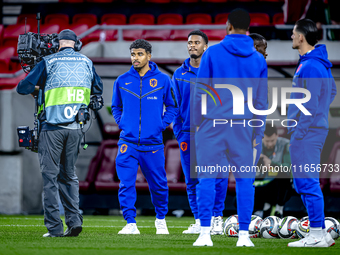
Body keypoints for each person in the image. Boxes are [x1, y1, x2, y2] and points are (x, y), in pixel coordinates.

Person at [16, 29, 103, 237]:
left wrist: (39, 87)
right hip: (75, 130)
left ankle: (55, 228)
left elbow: (22, 88)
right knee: (69, 176)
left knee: (50, 178)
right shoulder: (87, 62)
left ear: (58, 44)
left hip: (52, 129)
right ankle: (74, 222)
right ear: (77, 44)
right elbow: (97, 90)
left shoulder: (49, 61)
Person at [192, 9, 268, 247]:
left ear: (228, 26)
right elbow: (261, 102)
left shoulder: (212, 53)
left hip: (212, 126)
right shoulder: (258, 59)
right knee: (246, 181)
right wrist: (258, 133)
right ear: (247, 28)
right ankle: (244, 236)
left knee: (206, 178)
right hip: (243, 128)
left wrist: (196, 123)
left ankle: (205, 233)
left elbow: (201, 92)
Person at [111, 39, 178, 235]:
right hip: (127, 143)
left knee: (159, 185)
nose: (135, 58)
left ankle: (160, 219)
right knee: (126, 184)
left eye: (140, 54)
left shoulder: (164, 80)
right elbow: (116, 106)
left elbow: (173, 107)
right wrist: (122, 123)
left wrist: (161, 125)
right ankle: (130, 223)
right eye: (133, 54)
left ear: (149, 56)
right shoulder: (122, 80)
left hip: (153, 144)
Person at [172, 30, 228, 235]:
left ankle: (216, 219)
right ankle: (199, 219)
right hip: (188, 134)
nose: (192, 45)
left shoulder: (216, 72)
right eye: (189, 42)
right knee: (192, 179)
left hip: (214, 134)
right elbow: (174, 106)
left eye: (197, 42)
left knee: (218, 176)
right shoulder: (179, 74)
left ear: (206, 46)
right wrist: (179, 132)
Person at [287, 19, 337, 247]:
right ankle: (320, 234)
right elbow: (332, 91)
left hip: (307, 133)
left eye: (293, 34)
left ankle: (316, 233)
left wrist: (300, 130)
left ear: (301, 37)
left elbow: (313, 104)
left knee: (308, 182)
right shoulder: (314, 63)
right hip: (310, 130)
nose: (290, 37)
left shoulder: (311, 66)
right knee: (303, 183)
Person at [253, 124, 293, 219]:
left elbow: (289, 169)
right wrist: (257, 161)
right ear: (262, 138)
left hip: (277, 186)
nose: (270, 144)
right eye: (267, 141)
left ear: (277, 136)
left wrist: (271, 163)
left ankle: (279, 208)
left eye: (272, 141)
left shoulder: (285, 144)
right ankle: (262, 209)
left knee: (284, 176)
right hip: (260, 184)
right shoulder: (255, 146)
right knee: (236, 201)